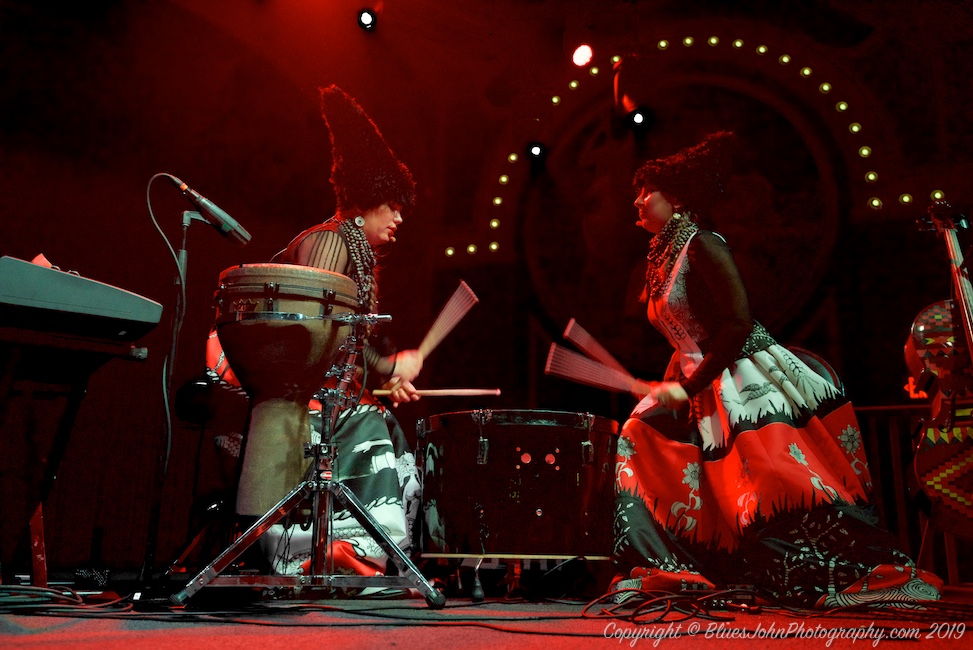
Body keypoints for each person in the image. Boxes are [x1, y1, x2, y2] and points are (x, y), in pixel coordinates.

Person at [612, 131, 943, 608]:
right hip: (701, 381)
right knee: (639, 436)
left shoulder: (703, 244)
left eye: (647, 191)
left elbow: (737, 322)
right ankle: (672, 569)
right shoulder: (662, 257)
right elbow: (687, 336)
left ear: (677, 198)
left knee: (770, 488)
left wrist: (690, 385)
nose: (638, 201)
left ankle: (856, 574)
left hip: (745, 377)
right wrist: (674, 387)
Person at [206, 85, 423, 586]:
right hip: (287, 405)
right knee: (369, 421)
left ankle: (341, 547)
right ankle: (327, 547)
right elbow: (314, 337)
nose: (400, 217)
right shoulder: (329, 242)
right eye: (393, 205)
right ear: (368, 199)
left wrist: (381, 380)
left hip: (317, 401)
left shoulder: (349, 251)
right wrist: (390, 367)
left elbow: (340, 351)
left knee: (379, 418)